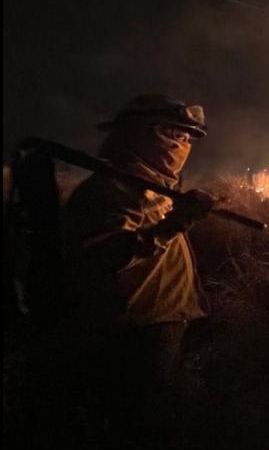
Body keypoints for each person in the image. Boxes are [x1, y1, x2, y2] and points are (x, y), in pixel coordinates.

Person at [58, 94, 217, 447]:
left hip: (160, 325)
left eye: (189, 139)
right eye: (178, 136)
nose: (184, 147)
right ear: (145, 134)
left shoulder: (151, 189)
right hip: (131, 333)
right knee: (137, 429)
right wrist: (175, 223)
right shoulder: (109, 191)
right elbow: (102, 256)